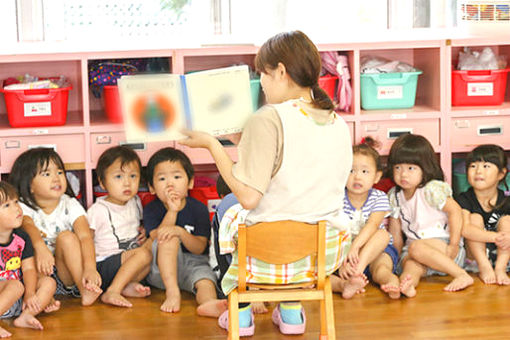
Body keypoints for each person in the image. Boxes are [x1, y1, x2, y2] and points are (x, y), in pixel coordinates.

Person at [179, 30, 352, 336]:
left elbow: (248, 197)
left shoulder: (269, 117)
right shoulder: (336, 121)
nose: (262, 84)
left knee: (227, 207)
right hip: (322, 252)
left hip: (268, 255)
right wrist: (243, 142)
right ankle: (290, 310)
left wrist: (212, 145)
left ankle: (241, 313)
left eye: (264, 75)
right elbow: (299, 170)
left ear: (282, 71)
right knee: (299, 207)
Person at [9, 148, 102, 306]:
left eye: (59, 172)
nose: (56, 178)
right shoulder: (23, 206)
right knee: (29, 246)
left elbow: (85, 237)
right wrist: (41, 248)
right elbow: (28, 225)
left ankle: (84, 289)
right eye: (47, 174)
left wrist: (90, 268)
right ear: (29, 185)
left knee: (67, 237)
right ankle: (45, 298)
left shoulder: (70, 204)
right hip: (41, 273)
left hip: (67, 273)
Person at [387, 134, 473, 298]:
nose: (403, 174)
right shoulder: (394, 195)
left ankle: (461, 275)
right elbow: (395, 230)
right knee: (410, 265)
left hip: (445, 247)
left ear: (425, 168)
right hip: (416, 252)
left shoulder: (431, 189)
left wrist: (454, 244)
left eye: (411, 168)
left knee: (416, 248)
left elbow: (455, 211)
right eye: (398, 168)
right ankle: (407, 286)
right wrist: (396, 257)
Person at [143, 147, 226, 316]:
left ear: (190, 183)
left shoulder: (198, 208)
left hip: (193, 264)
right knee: (169, 238)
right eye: (162, 178)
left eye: (176, 176)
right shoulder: (151, 208)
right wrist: (172, 211)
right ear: (151, 187)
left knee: (205, 281)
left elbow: (199, 247)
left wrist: (181, 232)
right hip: (161, 268)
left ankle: (209, 303)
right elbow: (158, 237)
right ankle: (173, 293)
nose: (170, 183)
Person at [330, 139, 401, 299]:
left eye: (364, 172)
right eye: (351, 171)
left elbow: (373, 224)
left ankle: (392, 283)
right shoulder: (337, 198)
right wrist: (342, 261)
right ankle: (344, 285)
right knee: (321, 275)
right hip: (344, 254)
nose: (357, 178)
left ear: (377, 177)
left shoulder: (379, 197)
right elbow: (334, 231)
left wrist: (355, 248)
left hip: (374, 252)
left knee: (382, 260)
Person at [87, 146, 152, 307]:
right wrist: (88, 270)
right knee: (144, 255)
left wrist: (143, 230)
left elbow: (136, 225)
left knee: (150, 258)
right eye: (118, 176)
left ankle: (124, 286)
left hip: (127, 261)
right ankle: (113, 291)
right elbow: (85, 240)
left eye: (133, 176)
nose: (127, 182)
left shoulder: (135, 202)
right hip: (104, 264)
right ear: (102, 182)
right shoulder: (98, 209)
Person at [0, 182, 59, 336]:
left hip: (16, 299)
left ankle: (26, 316)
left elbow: (28, 268)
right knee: (16, 286)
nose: (16, 209)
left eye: (16, 202)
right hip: (6, 291)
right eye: (7, 206)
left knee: (48, 282)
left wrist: (31, 293)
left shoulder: (22, 237)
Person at [456, 144, 510, 285]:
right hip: (474, 257)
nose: (478, 171)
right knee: (475, 218)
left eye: (486, 166)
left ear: (501, 174)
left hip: (502, 253)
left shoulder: (506, 200)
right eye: (473, 166)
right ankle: (484, 267)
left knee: (507, 221)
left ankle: (500, 268)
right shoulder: (464, 199)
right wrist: (495, 237)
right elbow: (465, 229)